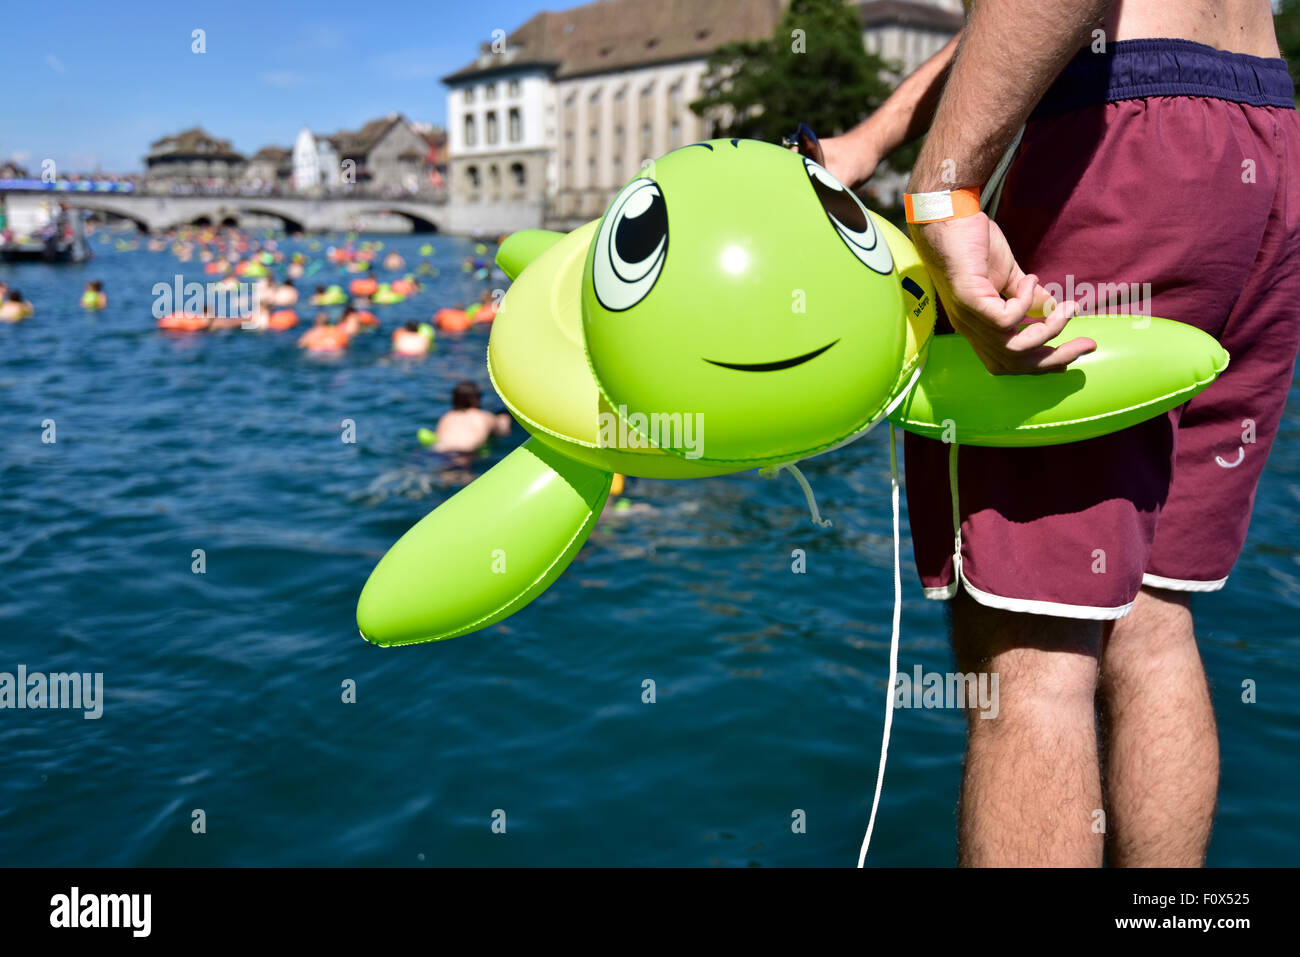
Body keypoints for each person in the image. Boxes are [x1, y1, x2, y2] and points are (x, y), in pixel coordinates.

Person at [820, 0, 1298, 867]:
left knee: (1034, 657)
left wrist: (942, 188)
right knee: (1154, 616)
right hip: (1261, 134)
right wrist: (873, 138)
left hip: (1107, 138)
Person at [432, 381, 511, 455]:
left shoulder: (447, 416)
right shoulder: (484, 416)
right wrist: (504, 415)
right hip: (463, 454)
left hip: (437, 453)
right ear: (475, 400)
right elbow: (504, 431)